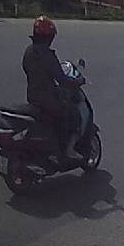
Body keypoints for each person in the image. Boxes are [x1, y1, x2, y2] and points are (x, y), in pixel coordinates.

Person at [22, 16, 81, 162]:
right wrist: (78, 81)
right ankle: (68, 150)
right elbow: (62, 80)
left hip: (32, 97)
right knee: (73, 114)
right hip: (48, 100)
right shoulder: (47, 55)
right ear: (49, 37)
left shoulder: (29, 51)